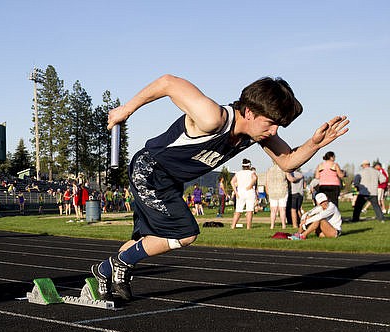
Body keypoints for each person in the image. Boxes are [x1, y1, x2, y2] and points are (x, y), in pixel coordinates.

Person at [90, 74, 349, 301]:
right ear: (249, 111)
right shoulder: (213, 117)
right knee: (184, 233)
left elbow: (287, 162)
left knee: (145, 241)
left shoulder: (254, 134)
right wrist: (126, 109)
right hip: (150, 171)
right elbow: (168, 82)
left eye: (278, 126)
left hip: (170, 181)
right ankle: (116, 264)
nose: (273, 131)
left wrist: (315, 143)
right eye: (270, 123)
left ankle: (106, 273)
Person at [230, 159, 258, 229]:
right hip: (249, 192)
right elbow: (255, 178)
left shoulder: (238, 173)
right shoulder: (251, 172)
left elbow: (232, 182)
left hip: (240, 192)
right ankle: (248, 227)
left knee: (238, 210)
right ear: (249, 165)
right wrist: (250, 185)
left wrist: (235, 192)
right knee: (249, 210)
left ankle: (233, 226)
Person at [265, 162, 288, 229]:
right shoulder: (284, 169)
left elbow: (267, 181)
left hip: (272, 191)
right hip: (282, 190)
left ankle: (272, 225)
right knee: (282, 209)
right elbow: (288, 178)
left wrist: (267, 191)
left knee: (273, 210)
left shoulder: (269, 169)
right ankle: (283, 225)